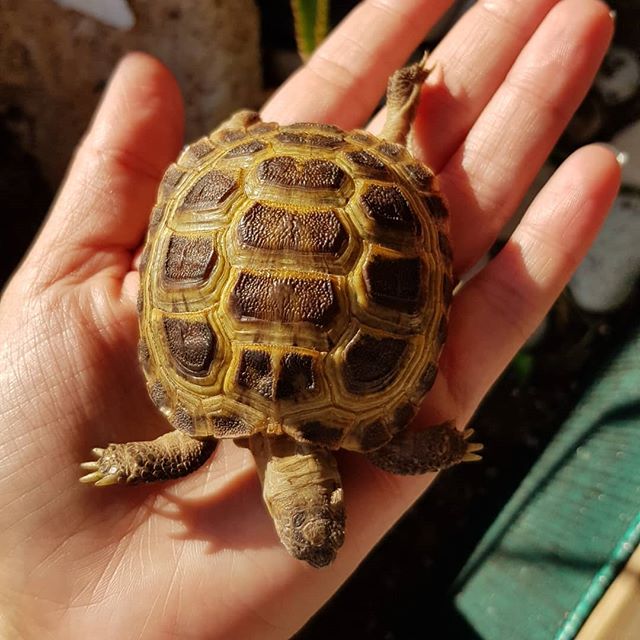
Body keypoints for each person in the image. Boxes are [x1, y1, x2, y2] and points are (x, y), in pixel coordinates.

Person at [0, 0, 619, 637]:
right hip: (258, 182)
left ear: (303, 496)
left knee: (391, 170)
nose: (331, 500)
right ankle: (395, 115)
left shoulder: (201, 438)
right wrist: (442, 447)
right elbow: (409, 447)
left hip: (251, 182)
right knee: (389, 162)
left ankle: (395, 116)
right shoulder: (236, 426)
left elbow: (176, 450)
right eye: (334, 506)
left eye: (318, 510)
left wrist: (128, 463)